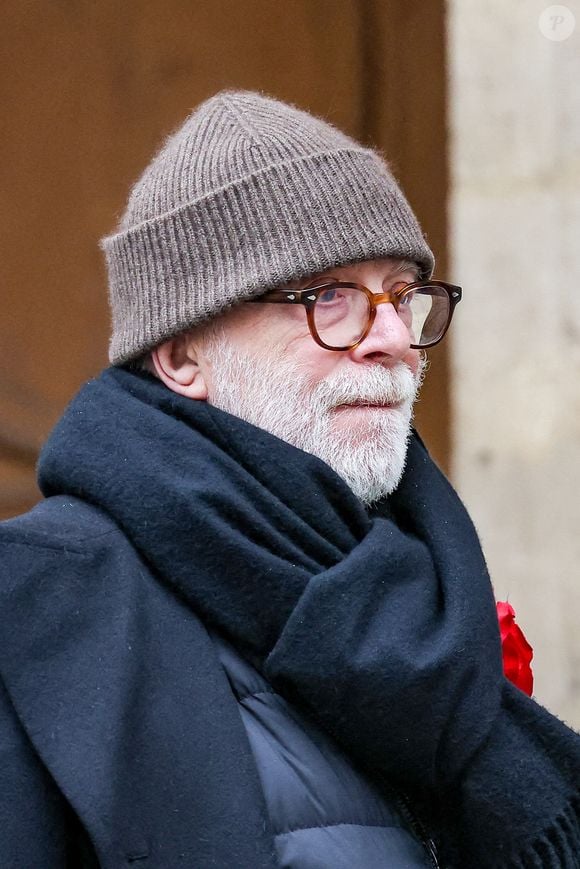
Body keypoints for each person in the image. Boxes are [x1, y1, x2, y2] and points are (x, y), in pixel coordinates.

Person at [0, 91, 579, 869]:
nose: (393, 339)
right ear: (181, 355)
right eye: (330, 297)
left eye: (403, 295)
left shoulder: (426, 600)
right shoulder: (36, 607)